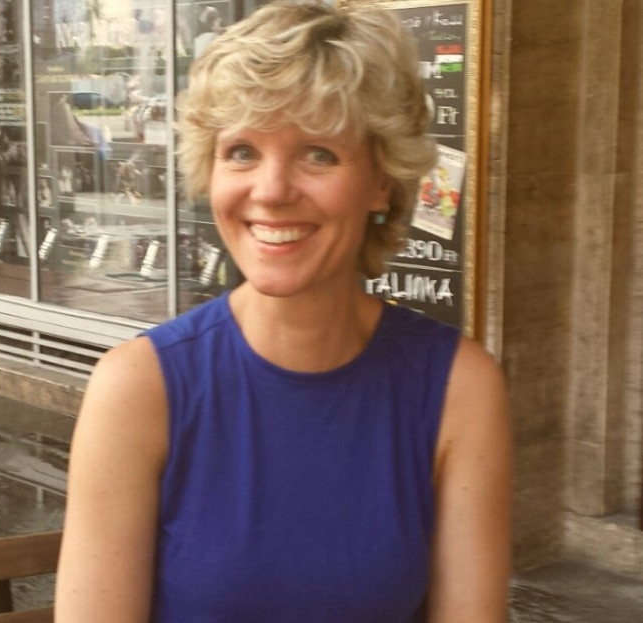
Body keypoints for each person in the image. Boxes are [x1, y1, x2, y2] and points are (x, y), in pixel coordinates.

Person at [55, 1, 511, 622]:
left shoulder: (459, 388)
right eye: (242, 151)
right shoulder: (139, 389)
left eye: (318, 153)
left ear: (382, 180)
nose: (271, 192)